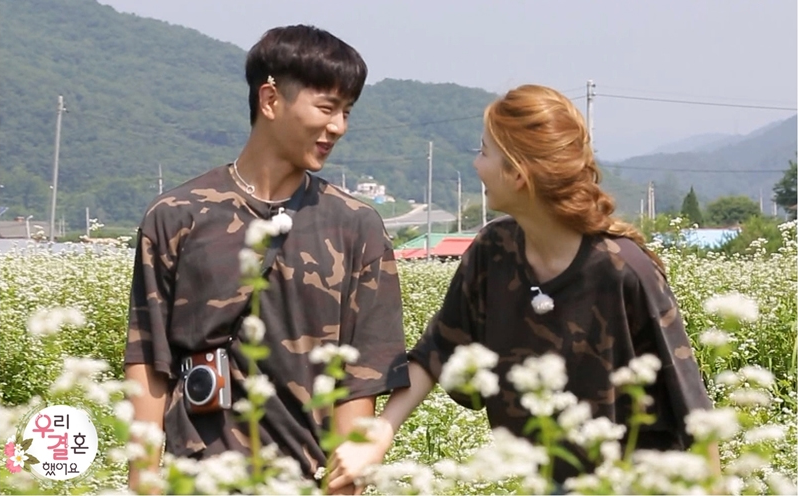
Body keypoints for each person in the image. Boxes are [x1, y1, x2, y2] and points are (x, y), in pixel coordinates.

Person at [328, 84, 717, 490]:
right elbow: (436, 353)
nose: (476, 165)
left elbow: (693, 409)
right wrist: (376, 438)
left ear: (518, 174)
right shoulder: (493, 250)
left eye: (484, 152)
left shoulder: (623, 270)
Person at [124, 25, 409, 494]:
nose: (338, 127)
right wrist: (143, 481)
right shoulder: (177, 215)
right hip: (193, 479)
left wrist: (344, 484)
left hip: (303, 478)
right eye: (327, 108)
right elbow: (149, 359)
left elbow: (363, 378)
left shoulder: (356, 226)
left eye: (347, 112)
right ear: (271, 100)